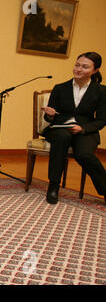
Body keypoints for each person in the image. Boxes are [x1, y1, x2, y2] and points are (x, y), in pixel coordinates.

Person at [42, 52, 106, 204]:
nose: (78, 69)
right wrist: (50, 115)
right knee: (63, 137)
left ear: (95, 70)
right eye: (77, 65)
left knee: (84, 154)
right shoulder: (60, 88)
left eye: (84, 67)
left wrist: (82, 129)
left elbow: (102, 120)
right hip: (59, 128)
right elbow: (48, 118)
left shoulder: (101, 91)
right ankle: (53, 186)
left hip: (85, 130)